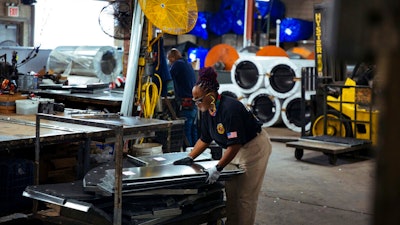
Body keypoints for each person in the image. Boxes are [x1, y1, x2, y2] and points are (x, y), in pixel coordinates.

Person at [173, 67, 272, 225]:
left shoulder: (229, 109)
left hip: (253, 149)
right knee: (231, 193)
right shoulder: (208, 111)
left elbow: (235, 144)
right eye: (194, 100)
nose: (196, 104)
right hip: (234, 150)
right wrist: (190, 157)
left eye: (198, 99)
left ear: (211, 95)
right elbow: (204, 139)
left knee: (245, 197)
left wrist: (218, 168)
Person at [167, 48, 198, 147]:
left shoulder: (177, 64)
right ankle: (197, 152)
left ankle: (189, 155)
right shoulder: (187, 63)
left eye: (169, 59)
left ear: (172, 57)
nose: (169, 62)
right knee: (193, 129)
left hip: (186, 104)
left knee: (186, 130)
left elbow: (167, 76)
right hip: (193, 103)